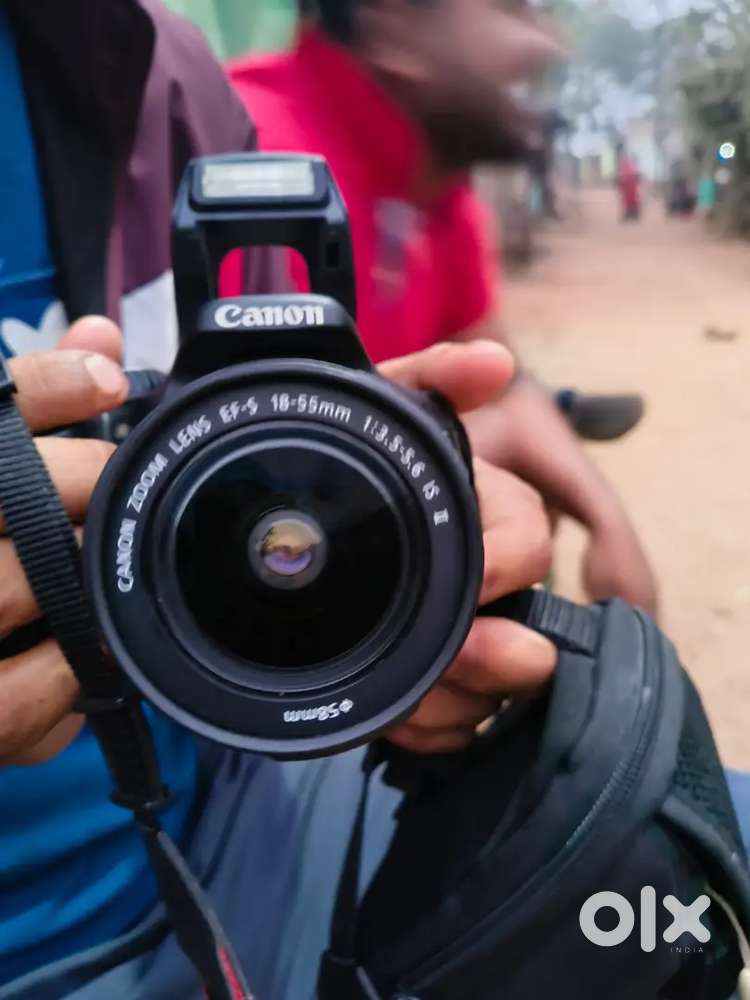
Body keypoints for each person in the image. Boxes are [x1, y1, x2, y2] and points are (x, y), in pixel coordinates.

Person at [0, 3, 559, 996]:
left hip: (236, 809)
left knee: (673, 855)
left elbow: (272, 430)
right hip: (55, 934)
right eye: (513, 5)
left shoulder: (154, 73)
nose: (543, 42)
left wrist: (400, 575)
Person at [229, 0, 659, 614]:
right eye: (511, 9)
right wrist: (508, 435)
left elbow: (503, 376)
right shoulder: (251, 156)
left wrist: (608, 520)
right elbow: (274, 474)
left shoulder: (436, 187)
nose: (548, 45)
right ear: (394, 22)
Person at [616, 144, 642, 222]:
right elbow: (622, 174)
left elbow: (632, 173)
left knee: (631, 199)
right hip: (627, 184)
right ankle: (630, 214)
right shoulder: (624, 162)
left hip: (630, 183)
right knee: (628, 200)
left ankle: (633, 214)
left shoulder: (627, 162)